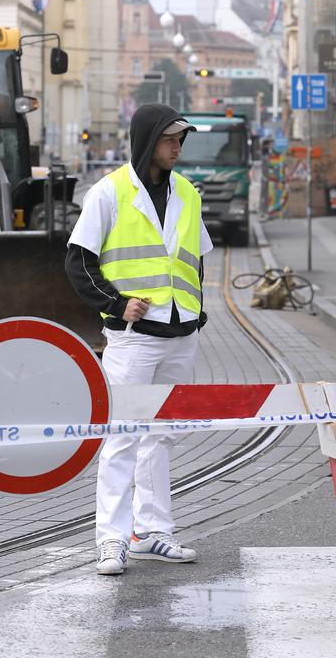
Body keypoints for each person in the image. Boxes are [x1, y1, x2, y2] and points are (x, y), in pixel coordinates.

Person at [65, 103, 213, 576]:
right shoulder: (108, 193)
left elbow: (195, 257)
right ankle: (111, 539)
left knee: (162, 437)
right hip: (133, 339)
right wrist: (113, 302)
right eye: (171, 140)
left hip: (180, 334)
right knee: (123, 438)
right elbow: (77, 262)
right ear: (148, 140)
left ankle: (153, 532)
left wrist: (195, 308)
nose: (177, 147)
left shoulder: (187, 192)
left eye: (181, 140)